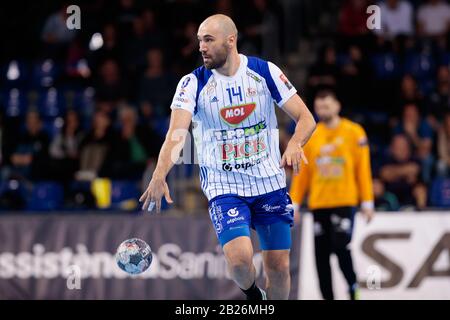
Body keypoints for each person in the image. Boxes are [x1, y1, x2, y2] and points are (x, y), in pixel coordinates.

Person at [139, 14, 316, 300]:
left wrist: (295, 143)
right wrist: (160, 174)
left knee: (279, 267)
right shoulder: (192, 83)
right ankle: (253, 296)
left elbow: (306, 118)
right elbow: (176, 134)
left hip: (269, 184)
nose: (201, 47)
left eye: (208, 40)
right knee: (239, 261)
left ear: (230, 40)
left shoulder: (264, 72)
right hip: (224, 188)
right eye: (199, 41)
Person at [289, 89, 374, 300]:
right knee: (321, 256)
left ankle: (353, 286)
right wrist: (295, 202)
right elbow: (302, 173)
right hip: (319, 204)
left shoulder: (354, 132)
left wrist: (368, 201)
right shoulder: (312, 134)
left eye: (326, 106)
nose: (322, 110)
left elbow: (362, 168)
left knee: (340, 244)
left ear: (337, 106)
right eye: (318, 107)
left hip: (344, 201)